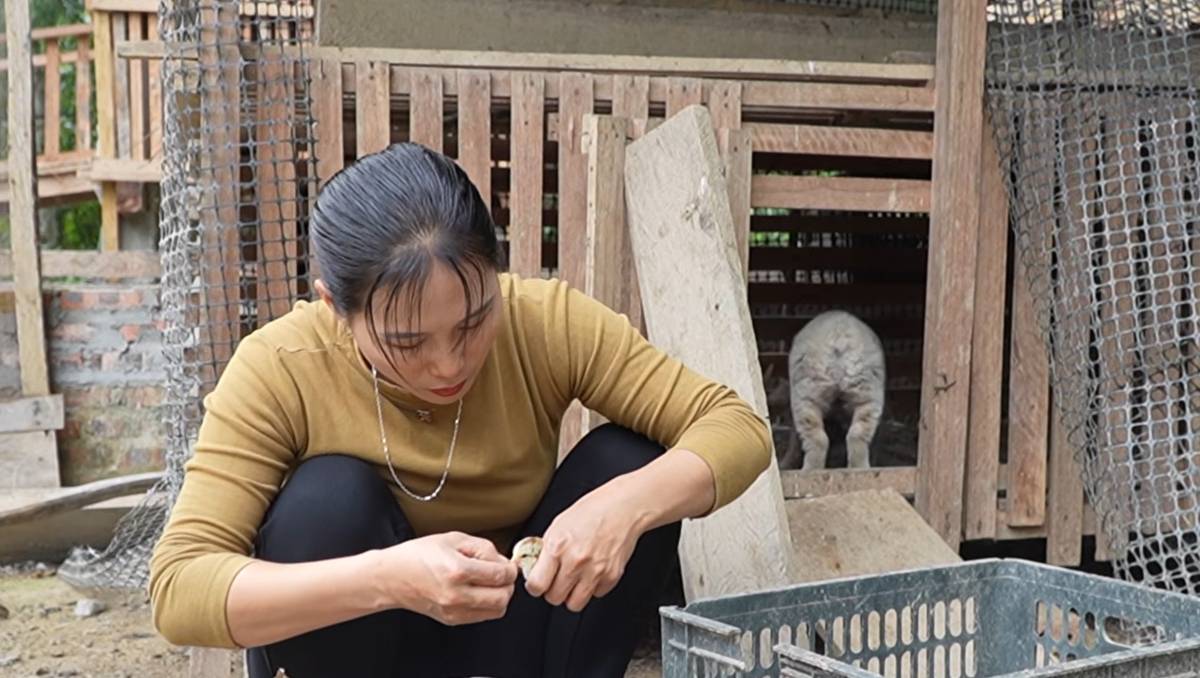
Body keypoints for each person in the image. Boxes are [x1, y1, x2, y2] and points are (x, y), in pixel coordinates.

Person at [148, 142, 772, 678]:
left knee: (629, 460)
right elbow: (179, 588)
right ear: (335, 307)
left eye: (473, 323)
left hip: (515, 623)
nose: (448, 365)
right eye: (407, 342)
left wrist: (624, 508)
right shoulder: (282, 365)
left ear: (496, 274)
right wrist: (388, 579)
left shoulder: (543, 323)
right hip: (355, 633)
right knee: (326, 500)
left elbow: (736, 427)